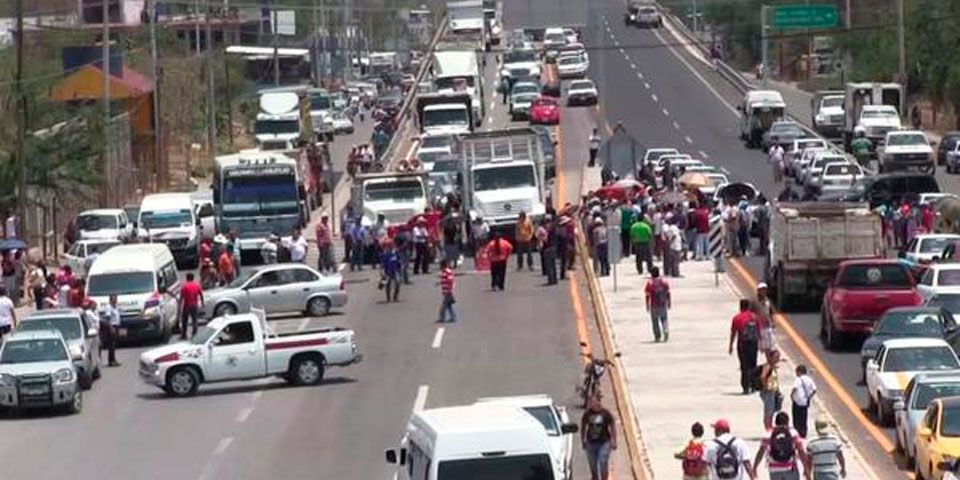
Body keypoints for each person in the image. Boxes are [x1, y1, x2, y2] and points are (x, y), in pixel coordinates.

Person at [753, 411, 808, 480]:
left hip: (774, 469)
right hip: (790, 468)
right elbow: (801, 451)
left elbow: (761, 452)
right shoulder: (793, 433)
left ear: (775, 422)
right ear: (787, 422)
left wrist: (755, 467)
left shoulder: (768, 433)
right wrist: (806, 468)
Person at [581, 394, 617, 480]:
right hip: (591, 443)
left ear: (598, 402)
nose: (591, 404)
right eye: (590, 402)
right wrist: (583, 439)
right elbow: (583, 426)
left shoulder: (605, 413)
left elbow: (612, 425)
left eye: (593, 402)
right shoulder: (587, 414)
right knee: (593, 465)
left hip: (604, 443)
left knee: (602, 461)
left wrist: (614, 440)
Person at [729, 299, 761, 395]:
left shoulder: (737, 318)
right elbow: (759, 332)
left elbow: (733, 332)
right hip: (753, 343)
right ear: (748, 306)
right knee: (753, 365)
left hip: (742, 344)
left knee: (744, 366)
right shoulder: (755, 317)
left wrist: (731, 345)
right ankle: (753, 385)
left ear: (740, 307)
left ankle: (745, 387)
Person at [645, 266, 671, 342]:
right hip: (663, 304)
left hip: (654, 305)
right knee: (664, 319)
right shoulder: (664, 282)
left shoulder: (650, 283)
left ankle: (657, 336)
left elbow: (647, 295)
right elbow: (668, 293)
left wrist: (647, 305)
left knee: (655, 321)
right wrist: (669, 302)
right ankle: (665, 330)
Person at [759, 349, 783, 431]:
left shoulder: (773, 367)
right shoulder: (768, 366)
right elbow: (762, 377)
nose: (778, 359)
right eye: (776, 357)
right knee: (768, 412)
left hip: (773, 391)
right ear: (771, 357)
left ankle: (769, 427)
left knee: (772, 411)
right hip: (768, 392)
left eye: (778, 357)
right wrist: (766, 387)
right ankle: (768, 429)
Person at [791, 365, 817, 438]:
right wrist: (809, 397)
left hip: (797, 401)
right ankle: (803, 432)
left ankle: (797, 433)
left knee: (796, 418)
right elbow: (814, 389)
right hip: (805, 401)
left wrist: (791, 395)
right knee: (804, 418)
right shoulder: (809, 379)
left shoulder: (798, 379)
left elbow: (795, 388)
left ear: (799, 372)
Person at [179, 273, 204, 339]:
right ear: (193, 278)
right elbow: (201, 294)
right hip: (194, 305)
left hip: (187, 305)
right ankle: (194, 333)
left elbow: (181, 297)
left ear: (186, 278)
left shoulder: (184, 286)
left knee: (185, 320)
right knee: (194, 319)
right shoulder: (196, 285)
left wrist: (179, 306)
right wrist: (202, 302)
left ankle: (184, 335)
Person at [99, 294, 121, 367]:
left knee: (114, 344)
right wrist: (111, 327)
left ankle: (113, 360)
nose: (115, 300)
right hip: (112, 327)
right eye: (113, 299)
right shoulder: (109, 307)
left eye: (116, 298)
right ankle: (111, 361)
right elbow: (107, 318)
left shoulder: (116, 307)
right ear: (110, 300)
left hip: (116, 326)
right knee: (111, 345)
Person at [755, 282, 777, 354]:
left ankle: (771, 361)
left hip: (768, 325)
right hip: (760, 326)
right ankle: (769, 361)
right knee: (765, 347)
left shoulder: (768, 301)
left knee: (771, 345)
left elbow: (771, 312)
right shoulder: (755, 302)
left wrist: (773, 322)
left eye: (765, 290)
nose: (764, 291)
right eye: (762, 290)